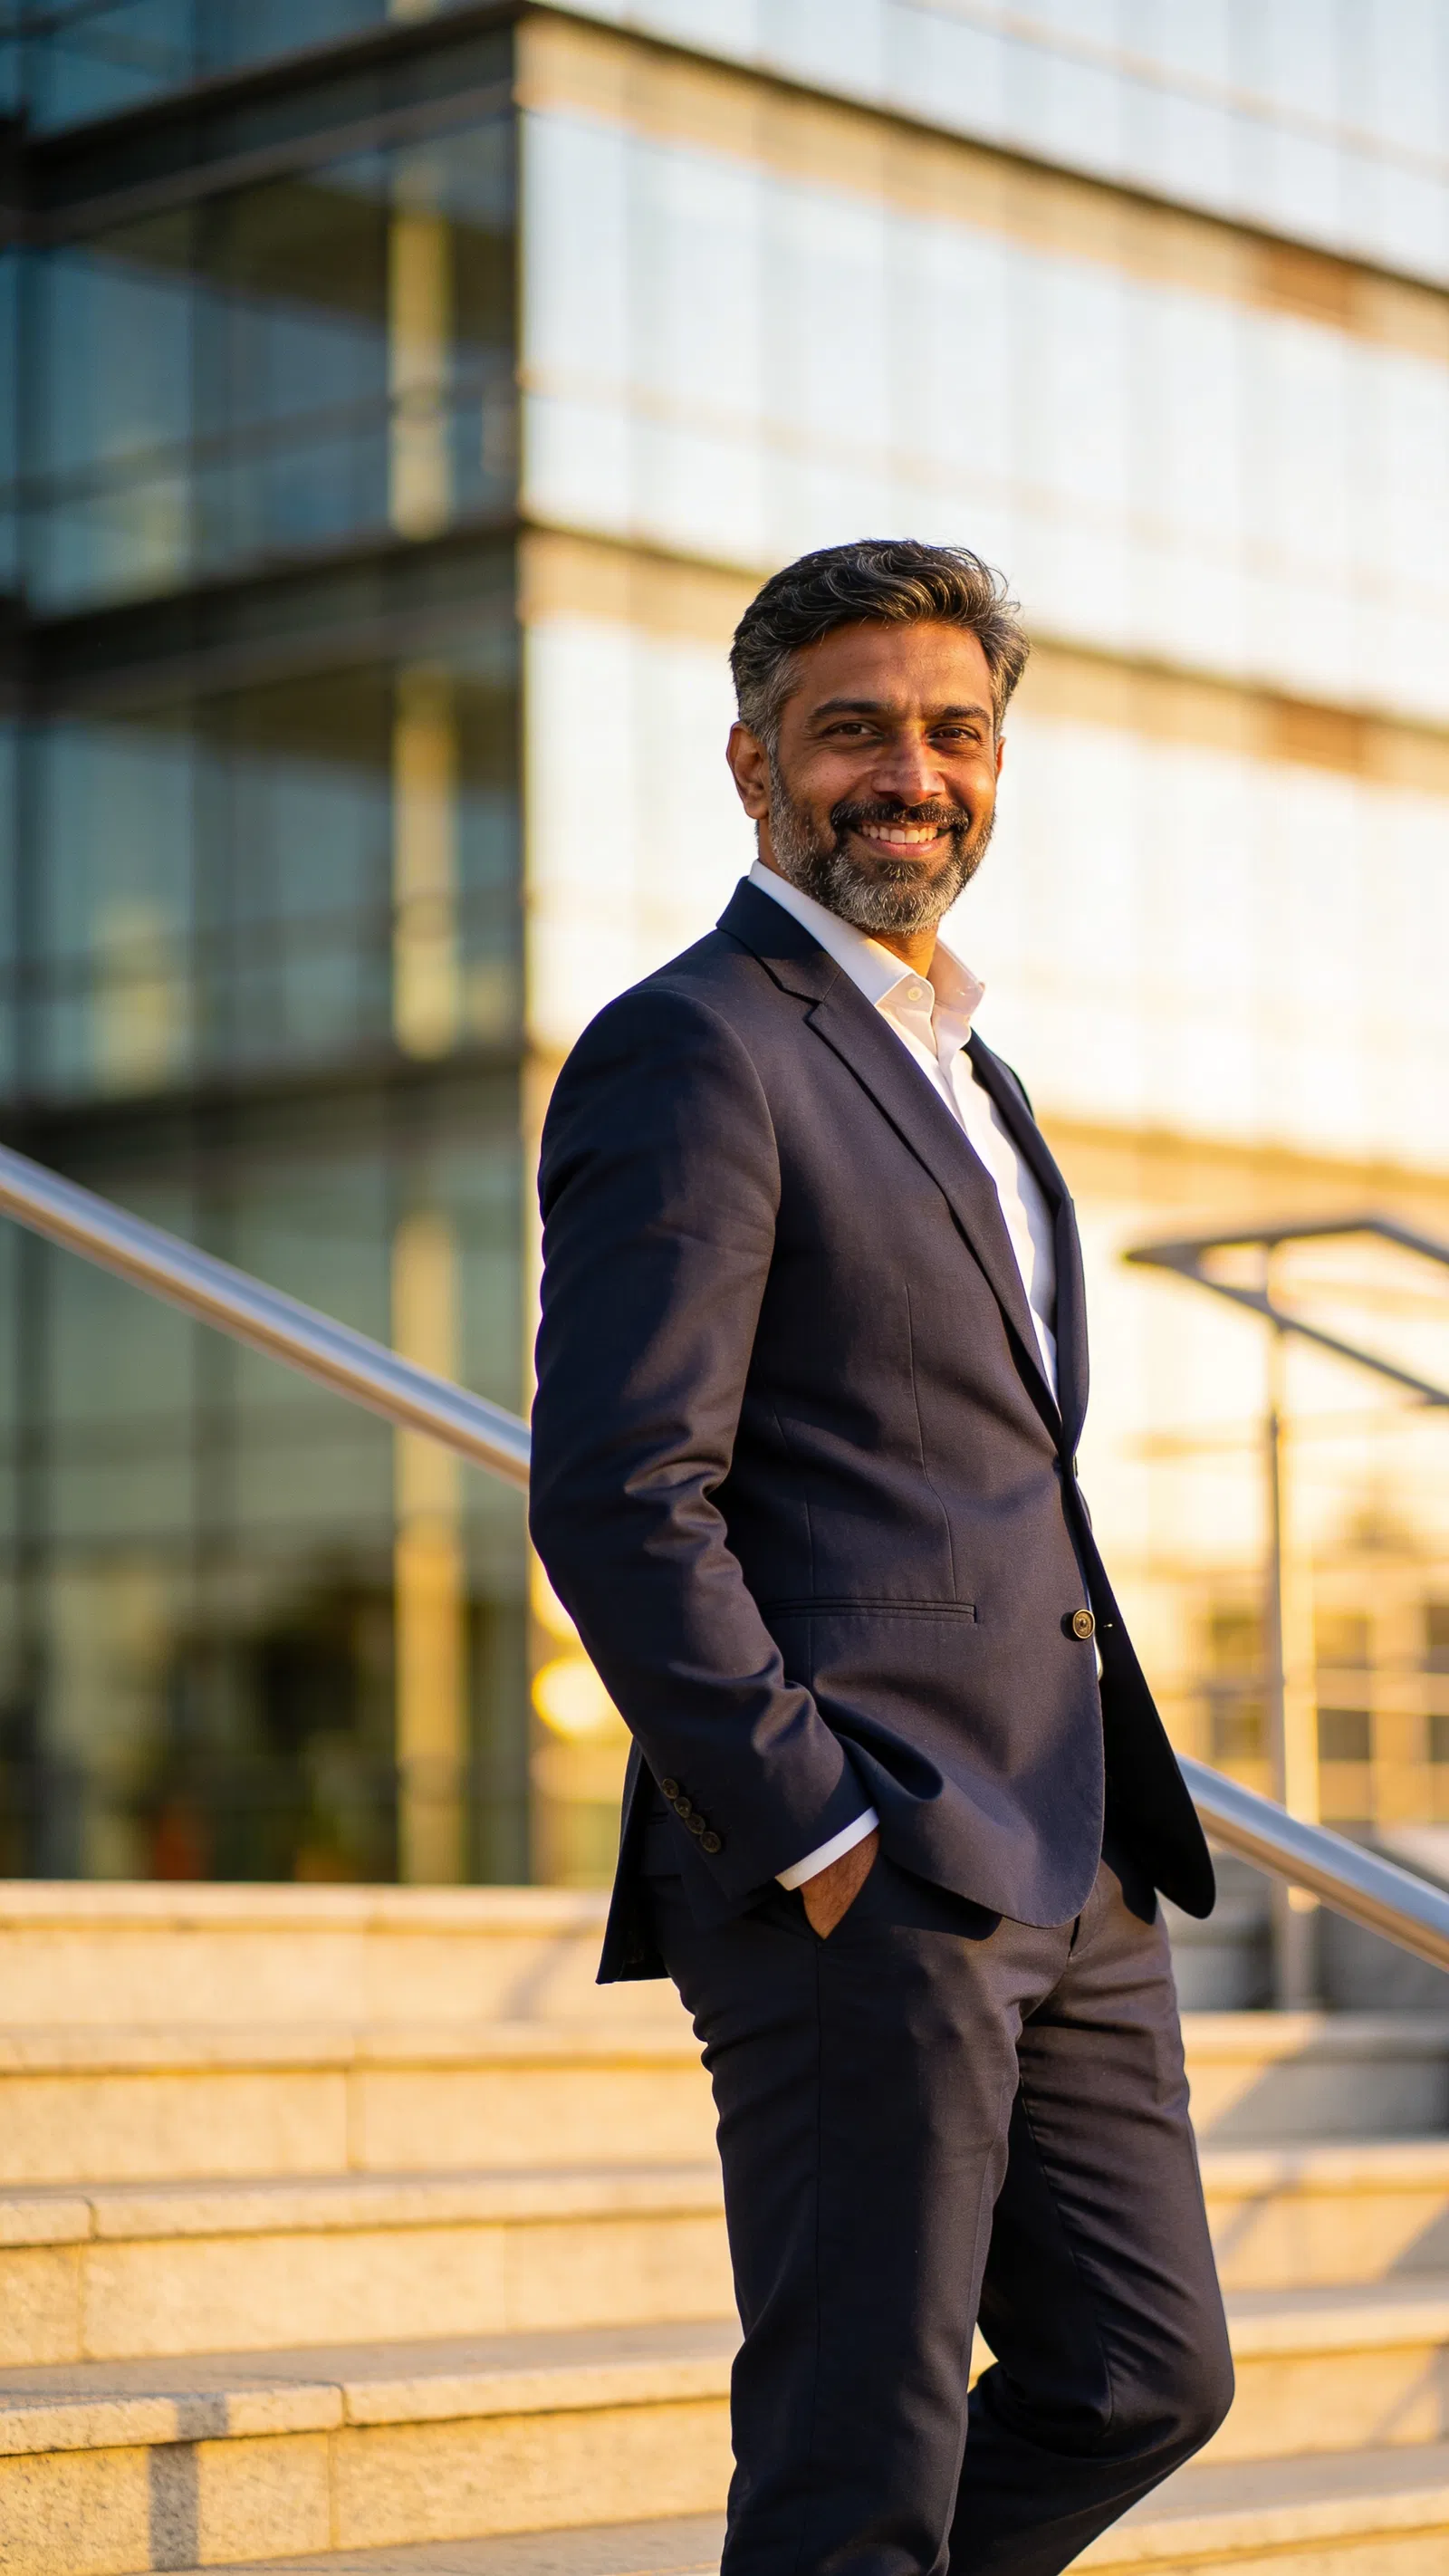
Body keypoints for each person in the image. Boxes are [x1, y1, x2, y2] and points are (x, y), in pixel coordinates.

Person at [529, 539, 1233, 2576]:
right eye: (852, 732)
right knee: (856, 2468)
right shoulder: (697, 1045)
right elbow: (620, 1487)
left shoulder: (968, 1067)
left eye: (952, 731)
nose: (907, 773)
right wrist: (815, 1827)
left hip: (1072, 1845)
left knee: (1139, 2371)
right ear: (750, 767)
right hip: (868, 1862)